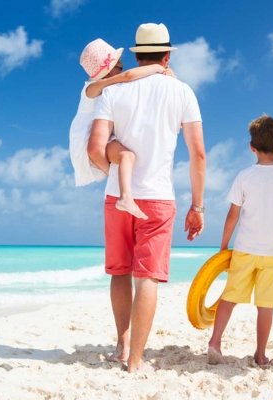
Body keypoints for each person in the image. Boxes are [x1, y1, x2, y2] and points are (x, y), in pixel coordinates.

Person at [88, 22, 206, 373]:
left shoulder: (112, 92)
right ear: (167, 56)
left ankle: (121, 346)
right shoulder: (182, 92)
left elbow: (96, 148)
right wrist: (197, 205)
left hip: (116, 197)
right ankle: (136, 361)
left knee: (119, 273)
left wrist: (113, 172)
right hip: (157, 198)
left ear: (137, 55)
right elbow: (198, 155)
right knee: (147, 278)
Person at [206, 115, 273, 366]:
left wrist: (223, 247)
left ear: (252, 148)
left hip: (245, 249)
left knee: (230, 297)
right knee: (266, 305)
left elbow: (232, 215)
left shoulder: (244, 176)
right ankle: (260, 354)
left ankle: (215, 342)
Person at [69, 38, 168, 219]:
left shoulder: (109, 89)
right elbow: (128, 77)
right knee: (126, 157)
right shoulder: (90, 89)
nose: (123, 66)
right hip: (87, 139)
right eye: (119, 65)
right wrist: (159, 68)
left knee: (126, 157)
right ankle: (125, 198)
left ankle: (125, 197)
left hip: (101, 136)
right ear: (108, 71)